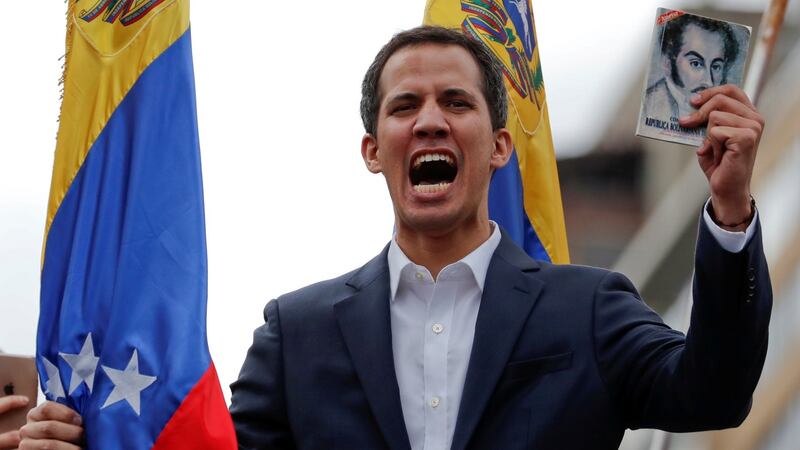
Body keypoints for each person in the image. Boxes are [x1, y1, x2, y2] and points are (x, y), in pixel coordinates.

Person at [21, 25, 770, 450]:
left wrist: (731, 212)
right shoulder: (298, 333)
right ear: (374, 150)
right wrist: (92, 441)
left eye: (456, 102)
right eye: (405, 105)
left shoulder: (591, 306)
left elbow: (714, 393)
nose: (431, 120)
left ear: (501, 146)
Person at [643, 14, 740, 121]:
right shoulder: (646, 107)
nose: (709, 82)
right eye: (696, 64)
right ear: (668, 63)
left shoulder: (724, 113)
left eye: (716, 67)